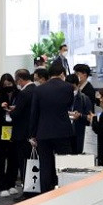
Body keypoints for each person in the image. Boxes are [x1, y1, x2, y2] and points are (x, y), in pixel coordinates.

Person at [29, 62, 75, 193]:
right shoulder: (68, 87)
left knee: (45, 164)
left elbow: (34, 113)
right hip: (63, 131)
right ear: (62, 74)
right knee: (65, 163)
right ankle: (66, 190)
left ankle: (45, 193)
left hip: (43, 131)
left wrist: (32, 134)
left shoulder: (39, 89)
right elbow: (69, 104)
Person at [0, 73, 19, 197]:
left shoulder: (18, 94)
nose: (8, 86)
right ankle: (1, 187)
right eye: (5, 84)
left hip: (15, 130)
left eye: (9, 84)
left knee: (13, 159)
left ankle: (11, 184)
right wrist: (0, 107)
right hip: (1, 131)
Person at [9, 69, 36, 202]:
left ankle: (27, 192)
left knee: (24, 163)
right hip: (33, 132)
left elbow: (17, 113)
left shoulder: (24, 93)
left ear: (19, 79)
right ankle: (34, 189)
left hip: (22, 133)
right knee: (33, 162)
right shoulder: (36, 89)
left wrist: (10, 111)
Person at [66, 74, 93, 154]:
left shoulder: (84, 99)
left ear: (77, 85)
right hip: (66, 133)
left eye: (72, 87)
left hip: (80, 133)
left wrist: (80, 115)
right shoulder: (62, 98)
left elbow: (90, 117)